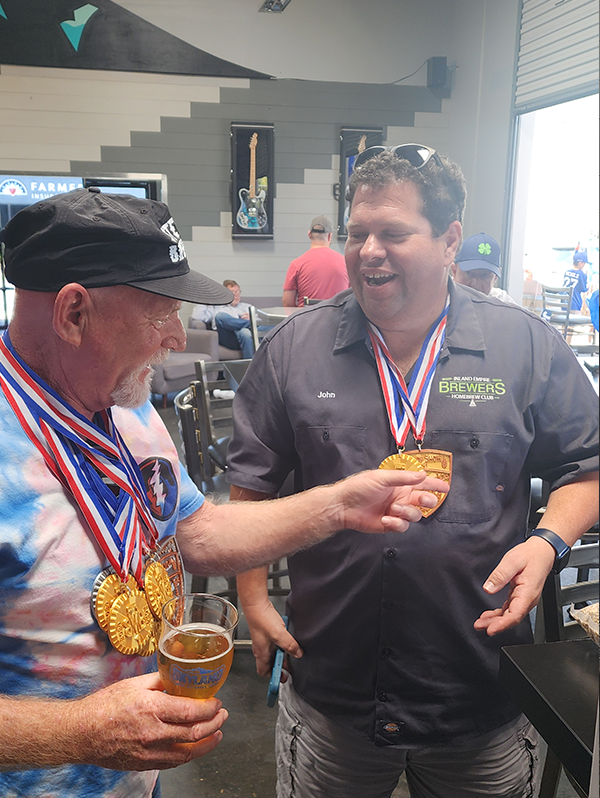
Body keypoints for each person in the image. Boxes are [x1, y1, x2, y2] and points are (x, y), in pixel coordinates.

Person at [0, 187, 450, 798]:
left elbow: (199, 534)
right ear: (74, 313)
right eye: (160, 312)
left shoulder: (126, 405)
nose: (175, 337)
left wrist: (340, 504)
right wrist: (78, 732)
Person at [227, 145, 599, 798]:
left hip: (477, 689)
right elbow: (251, 484)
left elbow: (587, 467)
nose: (368, 251)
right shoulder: (294, 349)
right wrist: (252, 597)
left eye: (393, 233)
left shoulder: (526, 346)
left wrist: (548, 543)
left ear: (450, 240)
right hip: (334, 689)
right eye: (357, 233)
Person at [282, 215, 349, 307]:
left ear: (309, 235)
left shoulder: (296, 264)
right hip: (338, 316)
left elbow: (287, 303)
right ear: (330, 236)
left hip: (307, 315)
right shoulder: (346, 263)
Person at [191, 278, 256, 358]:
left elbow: (262, 325)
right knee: (220, 316)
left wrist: (252, 318)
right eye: (232, 292)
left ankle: (251, 365)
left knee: (245, 332)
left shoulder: (247, 307)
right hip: (229, 338)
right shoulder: (217, 306)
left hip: (246, 337)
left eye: (237, 291)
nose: (236, 295)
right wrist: (206, 297)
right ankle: (251, 324)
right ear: (225, 294)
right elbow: (197, 316)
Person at [451, 232, 516, 303]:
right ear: (454, 271)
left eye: (485, 275)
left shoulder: (503, 302)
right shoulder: (442, 296)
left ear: (495, 278)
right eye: (469, 274)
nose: (476, 285)